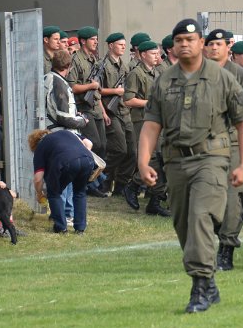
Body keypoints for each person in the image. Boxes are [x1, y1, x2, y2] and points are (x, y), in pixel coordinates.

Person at [137, 18, 243, 313]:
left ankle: (199, 286)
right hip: (175, 161)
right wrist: (143, 161)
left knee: (200, 215)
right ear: (173, 46)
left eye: (190, 40)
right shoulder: (164, 81)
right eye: (179, 41)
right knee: (183, 224)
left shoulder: (222, 78)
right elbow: (151, 124)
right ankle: (209, 281)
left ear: (201, 43)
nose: (184, 44)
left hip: (211, 159)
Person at [203, 29, 243, 271]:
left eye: (219, 44)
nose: (215, 48)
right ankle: (218, 231)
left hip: (234, 143)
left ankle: (227, 246)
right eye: (211, 44)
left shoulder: (242, 75)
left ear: (229, 47)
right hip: (204, 144)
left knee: (231, 196)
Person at [122, 40, 170, 217]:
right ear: (143, 55)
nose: (157, 56)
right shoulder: (136, 73)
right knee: (153, 159)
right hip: (142, 120)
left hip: (158, 120)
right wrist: (151, 103)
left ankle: (154, 201)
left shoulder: (157, 72)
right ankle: (133, 185)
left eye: (158, 53)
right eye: (153, 53)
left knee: (162, 158)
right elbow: (128, 100)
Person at [29, 129, 95, 235]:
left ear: (34, 144)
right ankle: (80, 228)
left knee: (54, 193)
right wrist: (80, 155)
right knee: (80, 192)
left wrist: (39, 193)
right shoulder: (66, 133)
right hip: (87, 159)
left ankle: (61, 228)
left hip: (66, 162)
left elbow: (38, 178)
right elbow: (89, 143)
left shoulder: (40, 146)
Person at [100, 31, 136, 197]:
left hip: (124, 111)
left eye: (124, 45)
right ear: (110, 46)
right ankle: (103, 179)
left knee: (132, 152)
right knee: (119, 149)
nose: (123, 47)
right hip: (110, 111)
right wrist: (114, 92)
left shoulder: (124, 66)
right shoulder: (102, 65)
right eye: (120, 44)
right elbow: (96, 90)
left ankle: (121, 186)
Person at [68, 27, 107, 163]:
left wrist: (103, 111)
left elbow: (96, 89)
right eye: (92, 39)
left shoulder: (94, 59)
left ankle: (98, 174)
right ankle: (88, 171)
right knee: (94, 143)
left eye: (96, 39)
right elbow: (72, 87)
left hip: (96, 107)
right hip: (83, 107)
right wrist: (90, 86)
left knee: (103, 146)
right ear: (83, 41)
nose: (96, 42)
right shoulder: (75, 59)